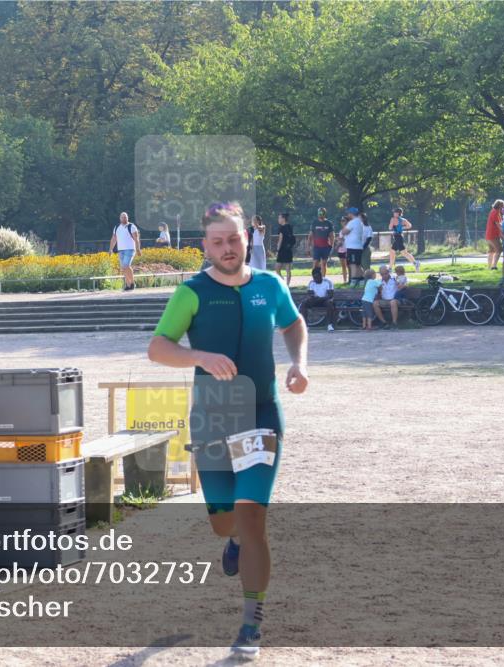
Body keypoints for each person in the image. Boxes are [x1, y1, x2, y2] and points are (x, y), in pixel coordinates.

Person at [147, 201, 308, 658]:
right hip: (214, 415)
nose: (228, 248)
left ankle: (251, 623)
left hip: (260, 413)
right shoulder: (192, 292)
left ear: (247, 238)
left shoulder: (270, 285)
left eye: (234, 239)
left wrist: (298, 364)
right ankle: (233, 539)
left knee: (253, 514)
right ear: (206, 246)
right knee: (224, 523)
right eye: (218, 242)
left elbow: (294, 325)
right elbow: (158, 348)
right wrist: (199, 358)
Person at [109, 211, 141, 291]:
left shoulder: (132, 226)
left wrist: (138, 249)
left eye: (125, 217)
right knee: (123, 268)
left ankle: (132, 283)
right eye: (122, 217)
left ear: (127, 218)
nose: (124, 218)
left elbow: (136, 239)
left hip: (130, 249)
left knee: (126, 265)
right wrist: (110, 249)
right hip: (120, 250)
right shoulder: (117, 227)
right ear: (120, 218)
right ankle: (128, 284)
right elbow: (114, 239)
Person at [299, 267, 336, 332]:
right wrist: (315, 298)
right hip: (316, 300)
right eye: (314, 277)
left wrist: (319, 298)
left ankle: (330, 325)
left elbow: (330, 296)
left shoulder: (328, 282)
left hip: (325, 301)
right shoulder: (311, 282)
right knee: (304, 304)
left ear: (321, 276)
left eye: (317, 277)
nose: (316, 279)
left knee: (329, 303)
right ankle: (305, 326)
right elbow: (310, 295)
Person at [388, 207, 420, 272]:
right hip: (399, 237)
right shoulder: (403, 220)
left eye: (395, 212)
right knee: (392, 252)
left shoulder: (393, 219)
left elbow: (390, 228)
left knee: (404, 253)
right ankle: (390, 268)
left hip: (398, 238)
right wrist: (402, 227)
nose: (393, 213)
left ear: (398, 213)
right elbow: (410, 225)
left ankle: (415, 263)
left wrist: (394, 224)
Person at [308, 208, 334, 277]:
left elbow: (332, 235)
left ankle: (323, 278)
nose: (320, 215)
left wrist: (331, 245)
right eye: (319, 213)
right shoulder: (314, 223)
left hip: (326, 246)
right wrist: (308, 247)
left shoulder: (328, 223)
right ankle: (314, 278)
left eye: (322, 213)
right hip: (317, 246)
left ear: (325, 214)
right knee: (315, 263)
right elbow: (310, 235)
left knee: (324, 263)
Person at [373, 265, 400, 329]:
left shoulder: (395, 278)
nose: (384, 275)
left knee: (393, 302)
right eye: (382, 274)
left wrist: (398, 283)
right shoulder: (379, 282)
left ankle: (394, 323)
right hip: (384, 300)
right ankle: (384, 322)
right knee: (375, 303)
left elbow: (402, 285)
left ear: (388, 272)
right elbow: (376, 292)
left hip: (395, 299)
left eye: (385, 273)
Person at [342, 208, 364, 285]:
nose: (348, 215)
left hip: (352, 247)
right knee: (358, 264)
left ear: (351, 214)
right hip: (358, 246)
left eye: (348, 213)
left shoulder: (352, 222)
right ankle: (361, 279)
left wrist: (345, 226)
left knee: (353, 264)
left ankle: (353, 281)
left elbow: (344, 232)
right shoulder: (360, 222)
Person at [274, 213, 295, 284]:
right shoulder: (290, 226)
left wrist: (277, 250)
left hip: (282, 250)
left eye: (279, 218)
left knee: (277, 269)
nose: (278, 220)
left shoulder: (282, 228)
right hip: (289, 250)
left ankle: (283, 283)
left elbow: (280, 240)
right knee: (288, 269)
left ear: (283, 219)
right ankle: (287, 285)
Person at [485, 200, 504, 270]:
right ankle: (494, 266)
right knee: (499, 250)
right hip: (493, 235)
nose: (503, 207)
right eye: (502, 206)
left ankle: (489, 267)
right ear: (499, 205)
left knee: (491, 250)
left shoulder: (493, 211)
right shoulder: (496, 212)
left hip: (489, 234)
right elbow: (498, 224)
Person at [335, 215, 350, 284]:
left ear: (347, 222)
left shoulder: (349, 229)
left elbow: (343, 239)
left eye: (344, 220)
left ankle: (351, 279)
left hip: (347, 249)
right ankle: (344, 280)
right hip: (341, 250)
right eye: (341, 221)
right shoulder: (341, 231)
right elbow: (340, 240)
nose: (342, 222)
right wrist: (337, 244)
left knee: (349, 265)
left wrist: (339, 240)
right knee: (343, 266)